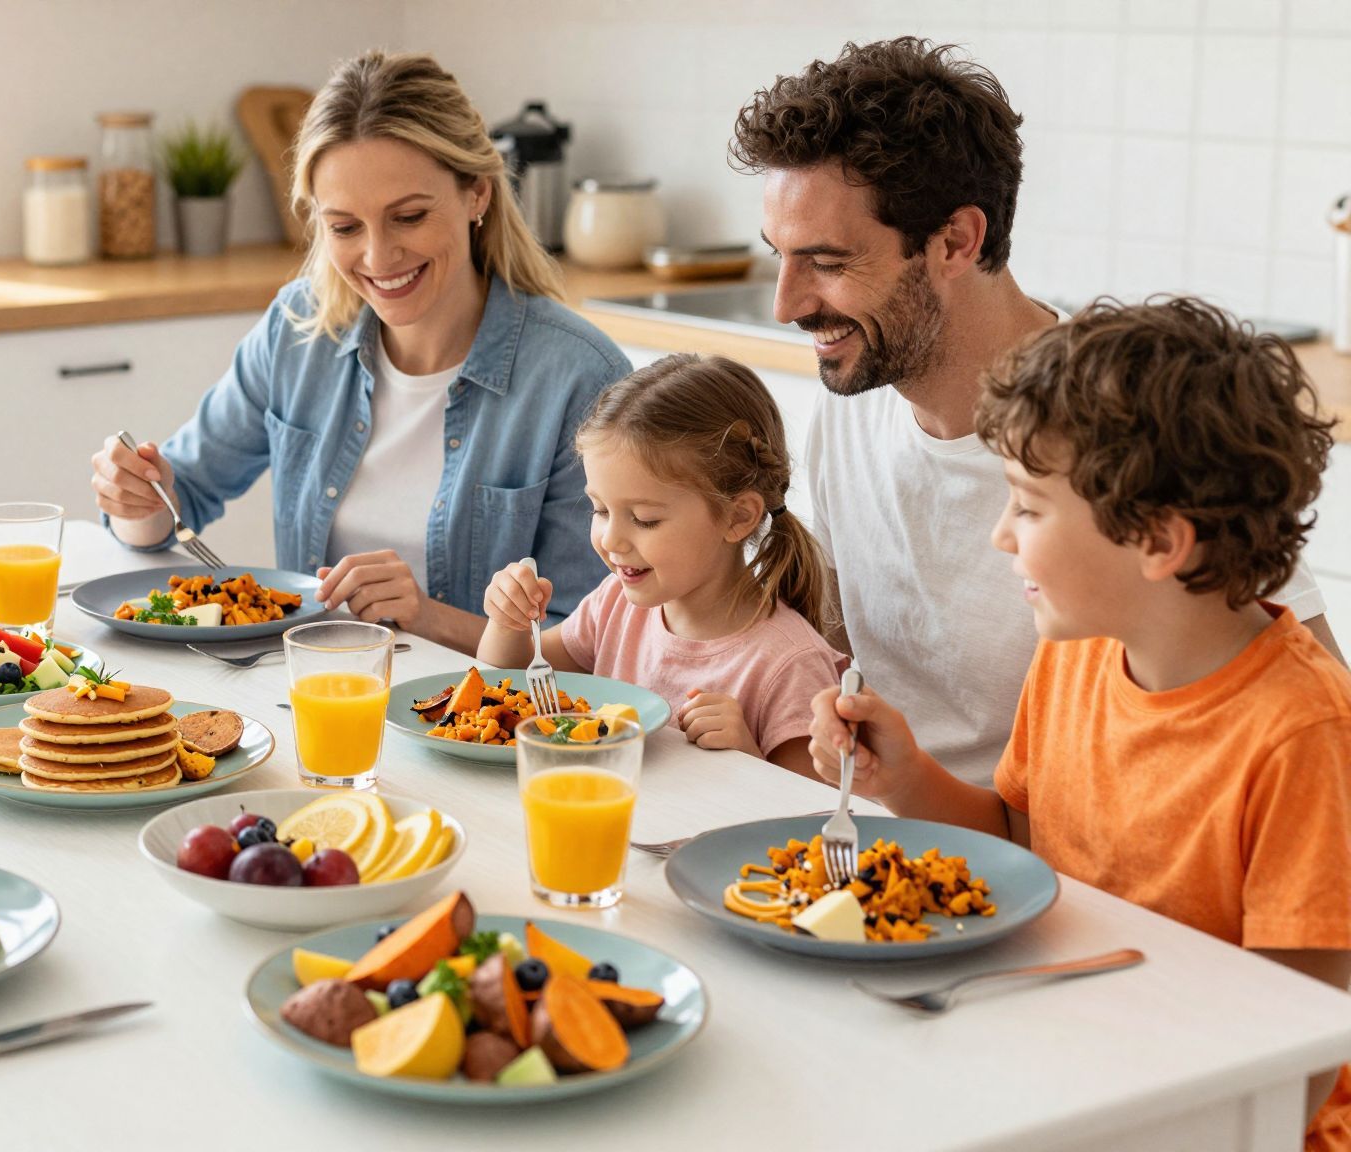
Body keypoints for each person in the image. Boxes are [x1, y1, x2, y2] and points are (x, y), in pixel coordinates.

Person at [805, 299, 1351, 1150]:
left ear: (1159, 541)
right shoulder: (1077, 655)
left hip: (1226, 1116)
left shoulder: (1300, 733)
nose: (999, 536)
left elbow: (1308, 1036)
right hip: (1073, 1061)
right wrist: (906, 775)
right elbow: (1020, 838)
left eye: (1026, 506)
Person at [731, 37, 1340, 784]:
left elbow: (1313, 715)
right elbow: (844, 655)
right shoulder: (850, 408)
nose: (785, 304)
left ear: (955, 240)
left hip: (1072, 862)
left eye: (827, 263)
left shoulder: (1116, 421)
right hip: (901, 836)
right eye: (778, 256)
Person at [90, 50, 629, 652]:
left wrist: (423, 615)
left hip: (476, 728)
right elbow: (178, 499)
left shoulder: (579, 377)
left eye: (409, 217)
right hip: (315, 694)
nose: (378, 257)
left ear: (477, 193)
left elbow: (591, 648)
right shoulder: (298, 331)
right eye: (345, 227)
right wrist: (139, 496)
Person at [479, 354, 844, 777]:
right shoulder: (615, 605)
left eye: (644, 519)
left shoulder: (789, 664)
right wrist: (507, 623)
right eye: (599, 509)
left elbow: (807, 822)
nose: (611, 540)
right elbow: (504, 689)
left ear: (737, 517)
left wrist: (747, 755)